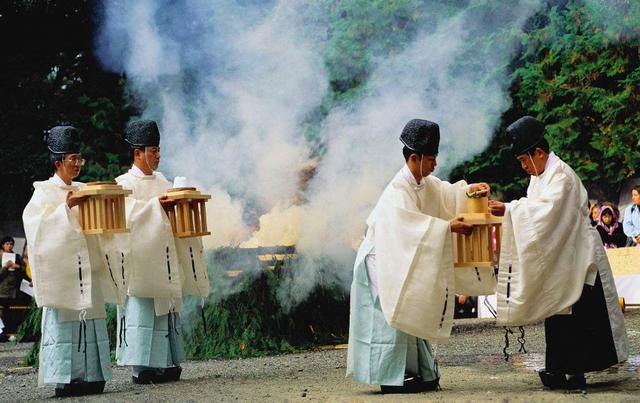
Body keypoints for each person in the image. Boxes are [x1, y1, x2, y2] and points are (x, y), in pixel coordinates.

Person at [346, 118, 490, 393]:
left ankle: (419, 371)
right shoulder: (397, 191)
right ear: (415, 158)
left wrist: (469, 192)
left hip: (398, 256)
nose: (435, 164)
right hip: (381, 259)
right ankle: (391, 376)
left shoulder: (424, 183)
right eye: (431, 159)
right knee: (397, 309)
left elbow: (447, 195)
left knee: (414, 306)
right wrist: (447, 227)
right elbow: (407, 229)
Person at [488, 116, 628, 390]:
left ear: (538, 153)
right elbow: (535, 211)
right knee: (558, 308)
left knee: (578, 312)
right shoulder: (540, 177)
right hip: (560, 252)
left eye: (524, 160)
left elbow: (546, 213)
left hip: (578, 255)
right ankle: (558, 366)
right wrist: (515, 209)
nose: (523, 166)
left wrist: (509, 209)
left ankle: (575, 370)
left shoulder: (561, 175)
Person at [22, 126, 122, 397]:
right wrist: (66, 208)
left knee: (91, 320)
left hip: (87, 270)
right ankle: (66, 379)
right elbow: (36, 228)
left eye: (80, 159)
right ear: (58, 163)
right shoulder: (43, 192)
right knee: (65, 323)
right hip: (63, 274)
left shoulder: (84, 189)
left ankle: (94, 375)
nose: (77, 164)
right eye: (72, 160)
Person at [115, 120, 185, 384]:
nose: (158, 155)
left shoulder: (163, 180)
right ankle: (141, 366)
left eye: (158, 149)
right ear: (138, 152)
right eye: (153, 150)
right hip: (140, 262)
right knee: (143, 312)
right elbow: (127, 217)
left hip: (163, 257)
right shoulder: (123, 183)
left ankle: (166, 362)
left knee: (164, 310)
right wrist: (157, 206)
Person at [0, 236, 28, 342]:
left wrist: (18, 267)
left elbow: (25, 271)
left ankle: (15, 334)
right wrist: (5, 268)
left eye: (11, 244)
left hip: (15, 291)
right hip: (3, 292)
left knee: (15, 314)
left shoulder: (17, 257)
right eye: (7, 244)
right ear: (3, 245)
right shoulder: (1, 257)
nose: (9, 246)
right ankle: (5, 335)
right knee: (4, 314)